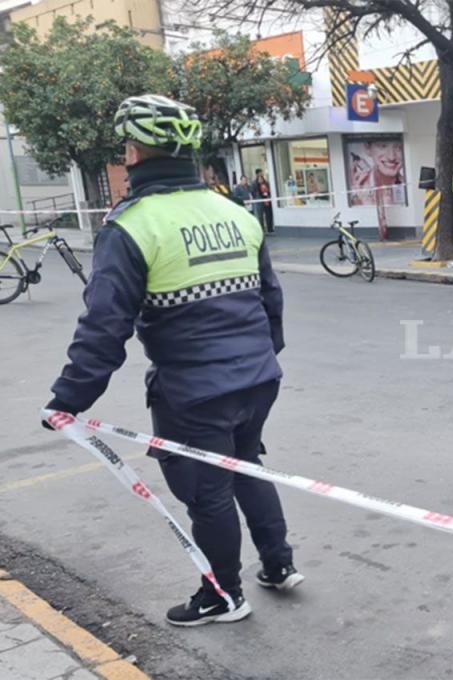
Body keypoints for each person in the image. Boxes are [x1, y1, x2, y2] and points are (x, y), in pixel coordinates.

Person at [42, 94, 303, 627]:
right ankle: (278, 566)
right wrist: (258, 360)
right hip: (256, 377)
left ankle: (223, 596)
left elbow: (103, 328)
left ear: (134, 154)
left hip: (193, 390)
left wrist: (68, 400)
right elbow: (270, 301)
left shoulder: (131, 226)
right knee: (247, 463)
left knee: (207, 493)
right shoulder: (234, 213)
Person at [252, 169, 274, 233]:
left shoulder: (265, 183)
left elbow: (269, 190)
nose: (262, 174)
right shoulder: (254, 183)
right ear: (257, 174)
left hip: (267, 201)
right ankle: (262, 230)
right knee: (260, 216)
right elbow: (254, 192)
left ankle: (270, 228)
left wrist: (268, 195)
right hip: (260, 202)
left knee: (269, 215)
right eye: (260, 173)